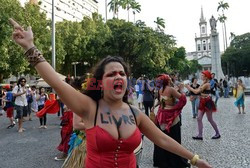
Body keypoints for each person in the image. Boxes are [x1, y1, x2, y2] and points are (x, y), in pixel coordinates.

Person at [10, 18, 212, 168]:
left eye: (122, 73)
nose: (118, 76)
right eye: (112, 74)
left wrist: (195, 159)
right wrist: (30, 46)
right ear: (101, 82)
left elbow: (162, 139)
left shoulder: (135, 113)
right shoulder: (89, 108)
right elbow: (54, 79)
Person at [153, 74, 190, 168]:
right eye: (169, 79)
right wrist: (181, 90)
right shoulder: (171, 89)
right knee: (174, 138)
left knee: (162, 138)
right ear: (167, 81)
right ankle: (174, 161)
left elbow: (161, 101)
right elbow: (183, 99)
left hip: (161, 115)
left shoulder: (160, 90)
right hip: (170, 117)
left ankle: (161, 160)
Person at [185, 70, 220, 140]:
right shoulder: (203, 83)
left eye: (202, 75)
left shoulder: (207, 84)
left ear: (206, 77)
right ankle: (200, 135)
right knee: (199, 118)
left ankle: (217, 133)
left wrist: (188, 87)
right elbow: (198, 92)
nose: (201, 76)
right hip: (203, 101)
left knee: (210, 119)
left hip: (207, 102)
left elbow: (196, 91)